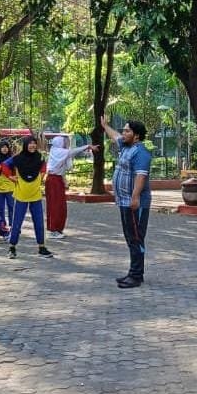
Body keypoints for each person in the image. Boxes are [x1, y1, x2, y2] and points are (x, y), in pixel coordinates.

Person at [100, 116, 152, 288]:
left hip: (135, 203)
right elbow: (114, 136)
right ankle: (133, 272)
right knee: (130, 237)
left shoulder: (140, 152)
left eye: (127, 130)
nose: (123, 133)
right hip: (123, 201)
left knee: (136, 238)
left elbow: (141, 175)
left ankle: (136, 276)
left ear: (136, 135)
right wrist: (105, 125)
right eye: (124, 130)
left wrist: (135, 197)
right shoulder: (126, 146)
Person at [2, 135, 54, 260]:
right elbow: (3, 166)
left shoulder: (39, 157)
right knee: (16, 223)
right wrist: (10, 177)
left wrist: (42, 174)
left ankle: (41, 247)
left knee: (39, 223)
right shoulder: (17, 158)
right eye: (30, 143)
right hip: (21, 195)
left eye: (34, 143)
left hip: (35, 195)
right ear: (25, 145)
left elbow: (44, 166)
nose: (32, 145)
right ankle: (12, 247)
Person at [45, 136, 98, 238]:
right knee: (55, 205)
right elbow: (73, 152)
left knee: (60, 206)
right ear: (59, 143)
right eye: (65, 142)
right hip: (53, 180)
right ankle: (53, 230)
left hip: (57, 179)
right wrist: (88, 146)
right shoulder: (58, 151)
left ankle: (58, 228)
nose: (66, 144)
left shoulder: (58, 152)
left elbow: (68, 165)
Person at [0, 139, 16, 224]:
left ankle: (13, 224)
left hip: (10, 186)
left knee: (12, 206)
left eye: (6, 147)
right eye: (2, 147)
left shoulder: (12, 158)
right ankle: (2, 225)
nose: (5, 149)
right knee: (0, 208)